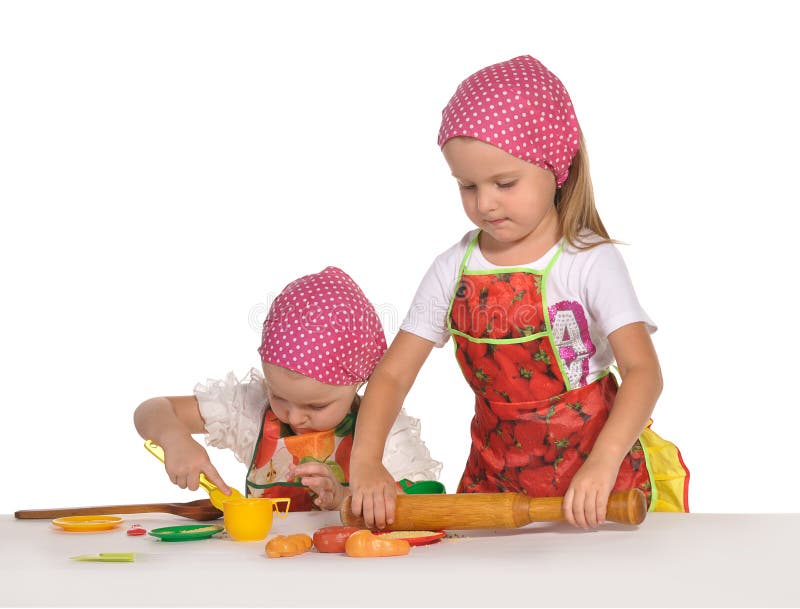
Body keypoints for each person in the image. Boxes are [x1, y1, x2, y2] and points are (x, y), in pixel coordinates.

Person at [349, 55, 689, 529]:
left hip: (595, 489)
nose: (484, 203)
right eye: (467, 185)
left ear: (556, 166)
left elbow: (643, 372)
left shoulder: (588, 261)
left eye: (504, 183)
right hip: (493, 486)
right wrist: (365, 462)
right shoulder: (452, 269)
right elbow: (391, 376)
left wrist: (604, 461)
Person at [134, 266, 441, 511]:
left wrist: (344, 498)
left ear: (360, 379)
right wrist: (173, 437)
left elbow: (428, 500)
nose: (294, 417)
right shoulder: (251, 413)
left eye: (317, 406)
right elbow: (154, 409)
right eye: (278, 396)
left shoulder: (383, 433)